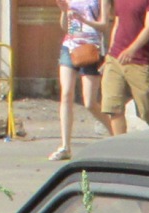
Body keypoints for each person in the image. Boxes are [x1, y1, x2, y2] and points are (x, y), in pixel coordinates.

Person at [52, 0, 108, 161]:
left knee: (90, 102)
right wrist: (64, 12)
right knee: (66, 94)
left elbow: (104, 25)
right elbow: (68, 28)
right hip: (70, 46)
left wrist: (84, 20)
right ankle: (65, 146)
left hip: (91, 47)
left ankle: (116, 133)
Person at [101, 0, 149, 134]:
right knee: (113, 107)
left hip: (140, 61)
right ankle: (120, 146)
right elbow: (117, 23)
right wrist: (110, 52)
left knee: (146, 110)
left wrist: (131, 49)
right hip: (115, 58)